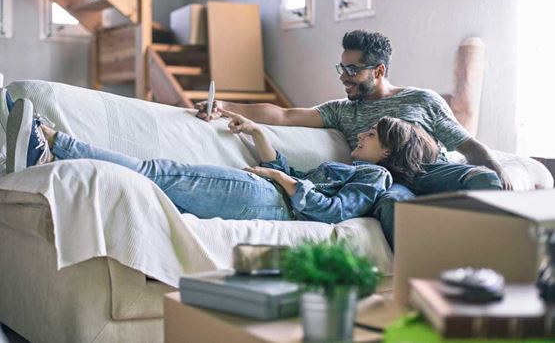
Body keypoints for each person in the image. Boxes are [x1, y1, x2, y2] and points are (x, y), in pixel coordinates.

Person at [195, 30, 510, 247]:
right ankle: (420, 281)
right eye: (341, 67)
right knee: (392, 209)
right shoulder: (341, 111)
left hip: (431, 169)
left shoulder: (421, 100)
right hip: (389, 181)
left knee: (484, 179)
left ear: (378, 70)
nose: (343, 76)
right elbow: (285, 115)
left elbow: (466, 144)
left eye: (352, 69)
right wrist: (224, 106)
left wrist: (496, 166)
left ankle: (491, 254)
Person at [4, 97, 456, 227]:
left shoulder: (374, 175)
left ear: (389, 152)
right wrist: (257, 132)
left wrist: (279, 177)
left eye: (372, 135)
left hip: (269, 201)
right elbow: (299, 178)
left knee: (156, 173)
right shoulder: (358, 166)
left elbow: (331, 211)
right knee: (155, 180)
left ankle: (49, 141)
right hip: (267, 191)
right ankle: (44, 147)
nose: (361, 135)